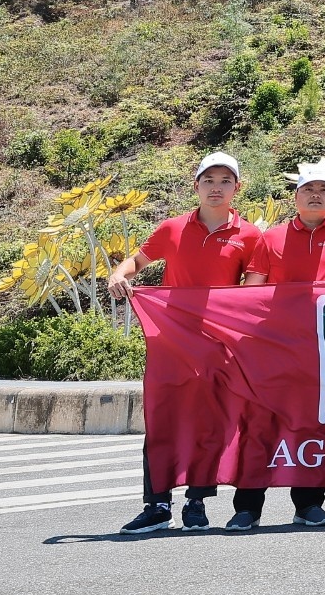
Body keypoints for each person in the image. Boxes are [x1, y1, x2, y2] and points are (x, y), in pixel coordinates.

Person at [111, 152, 262, 535]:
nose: (216, 187)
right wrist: (118, 273)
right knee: (162, 420)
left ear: (237, 189)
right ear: (195, 186)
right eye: (208, 180)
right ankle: (158, 504)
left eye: (225, 181)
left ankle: (197, 503)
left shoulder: (249, 235)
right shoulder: (172, 228)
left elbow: (253, 293)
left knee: (208, 423)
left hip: (217, 344)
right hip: (171, 342)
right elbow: (137, 262)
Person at [232, 158, 325, 529]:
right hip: (275, 347)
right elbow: (252, 288)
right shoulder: (271, 238)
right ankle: (248, 507)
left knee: (315, 427)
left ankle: (309, 503)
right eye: (309, 189)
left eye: (324, 190)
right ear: (296, 195)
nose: (316, 195)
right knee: (261, 425)